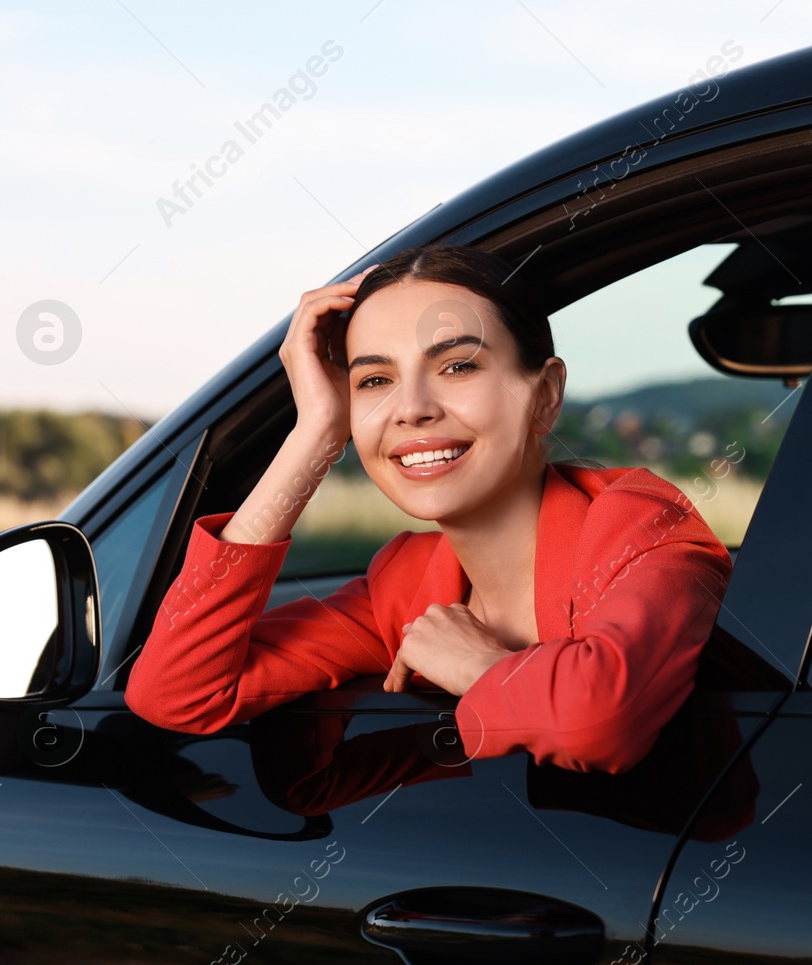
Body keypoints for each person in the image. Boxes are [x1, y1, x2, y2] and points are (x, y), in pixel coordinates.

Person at [124, 244, 734, 775]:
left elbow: (597, 725)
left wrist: (475, 664)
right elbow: (179, 693)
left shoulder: (636, 523)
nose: (411, 408)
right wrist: (315, 433)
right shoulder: (406, 586)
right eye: (374, 381)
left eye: (458, 366)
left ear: (545, 395)